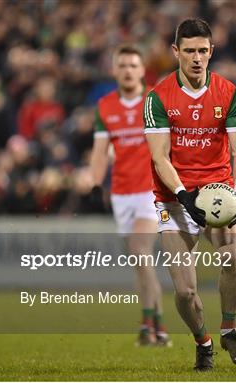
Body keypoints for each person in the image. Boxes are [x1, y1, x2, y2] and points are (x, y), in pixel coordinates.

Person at [144, 19, 236, 372]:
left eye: (202, 51)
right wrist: (181, 194)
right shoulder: (158, 97)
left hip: (218, 189)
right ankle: (203, 342)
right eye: (188, 51)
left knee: (230, 257)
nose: (196, 58)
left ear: (211, 52)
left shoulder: (227, 92)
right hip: (173, 198)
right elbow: (159, 157)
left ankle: (229, 330)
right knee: (185, 291)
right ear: (176, 52)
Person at [89, 45, 171, 347]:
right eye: (122, 65)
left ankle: (147, 322)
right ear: (114, 70)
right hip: (121, 194)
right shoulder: (105, 106)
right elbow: (99, 152)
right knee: (141, 263)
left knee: (140, 251)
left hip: (150, 190)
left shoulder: (154, 101)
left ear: (141, 70)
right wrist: (95, 184)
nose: (127, 70)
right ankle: (159, 327)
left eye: (133, 65)